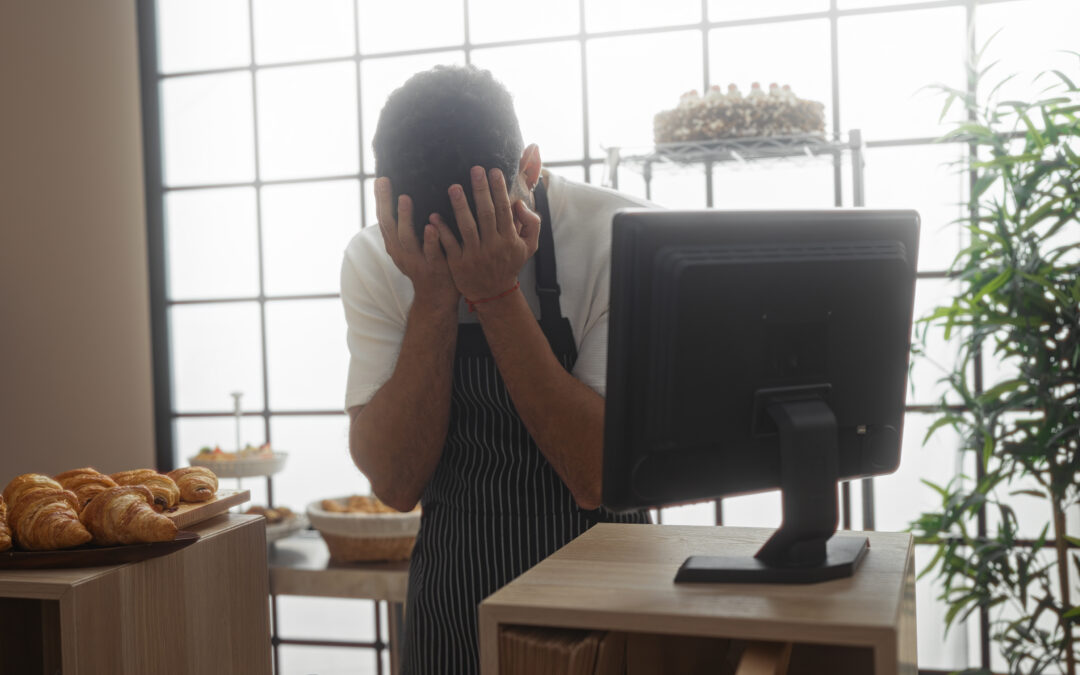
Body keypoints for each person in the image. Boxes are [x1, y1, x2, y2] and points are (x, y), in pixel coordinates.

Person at [340, 65, 650, 674]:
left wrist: (496, 295)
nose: (461, 253)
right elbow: (396, 483)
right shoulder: (378, 254)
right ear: (387, 197)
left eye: (486, 221)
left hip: (608, 582)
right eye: (441, 238)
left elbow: (598, 475)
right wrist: (433, 299)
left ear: (529, 172)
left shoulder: (622, 237)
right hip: (455, 590)